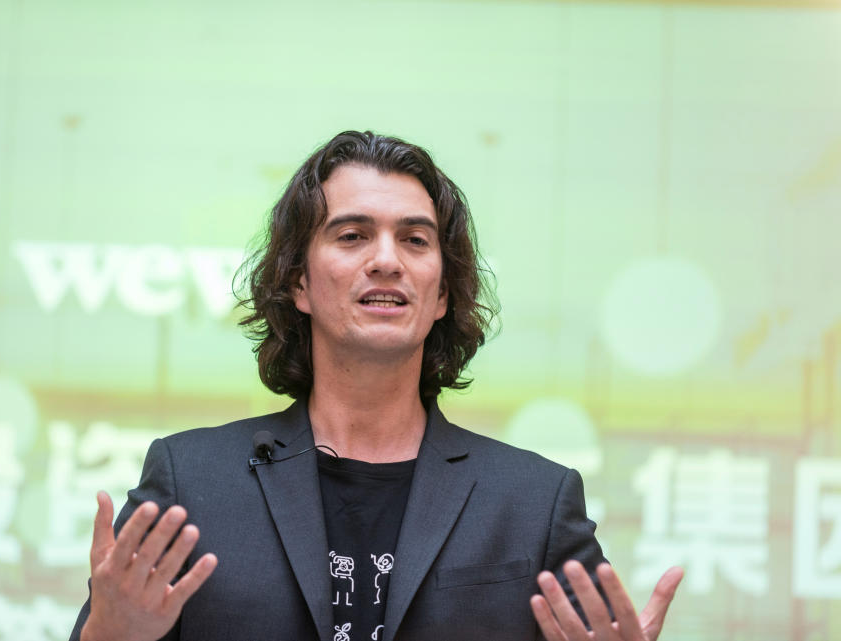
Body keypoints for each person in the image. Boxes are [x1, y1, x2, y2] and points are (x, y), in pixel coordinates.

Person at [69, 131, 683, 641]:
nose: (387, 260)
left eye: (415, 240)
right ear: (299, 284)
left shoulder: (533, 503)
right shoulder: (193, 481)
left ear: (442, 293)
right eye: (352, 235)